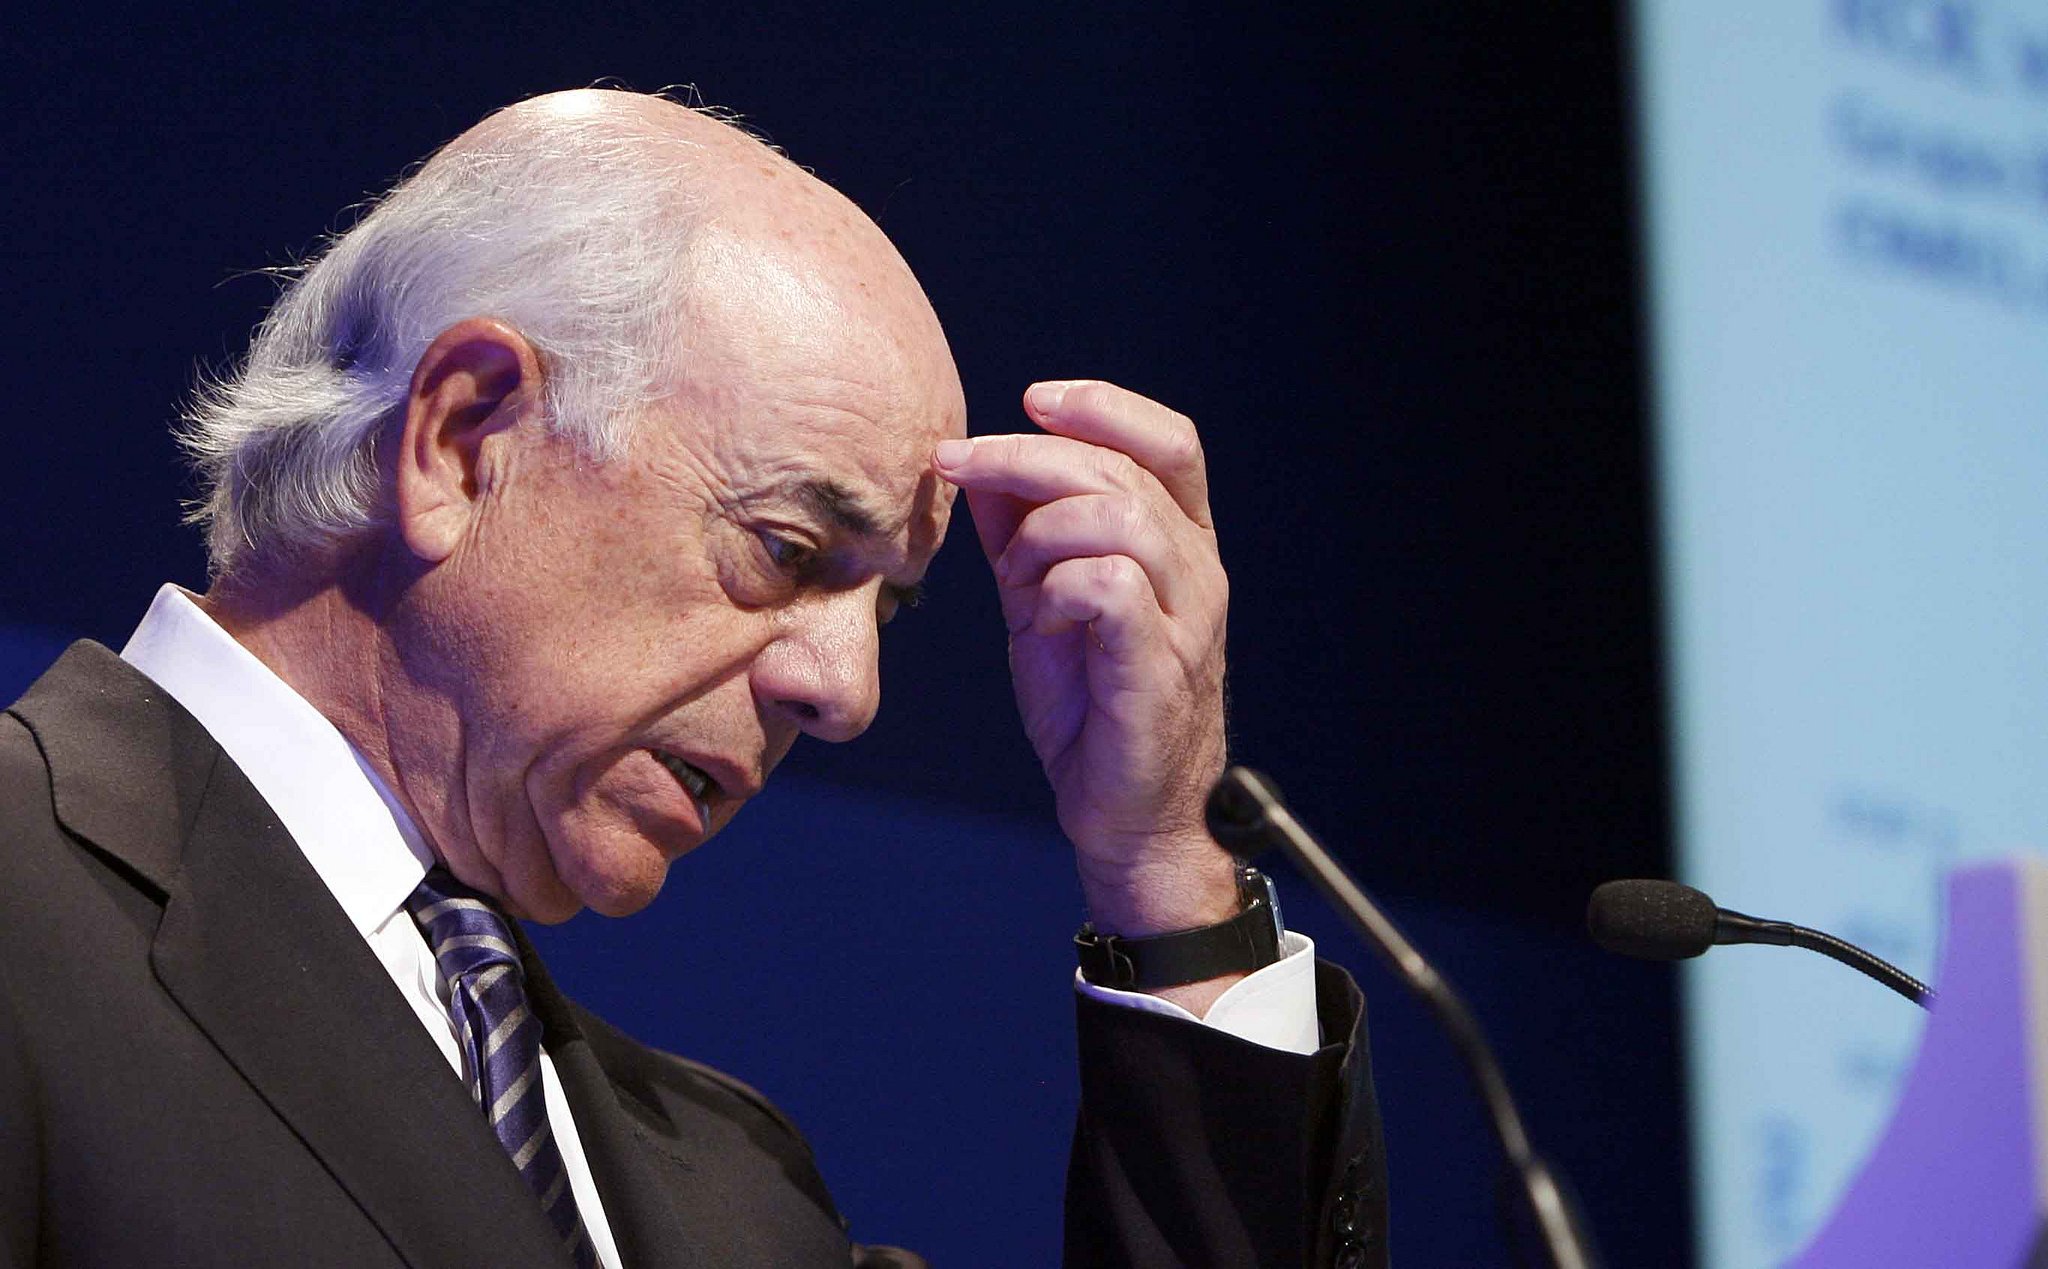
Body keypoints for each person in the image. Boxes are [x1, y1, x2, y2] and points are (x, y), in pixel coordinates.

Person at [0, 89, 1385, 1267]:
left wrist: (1162, 870)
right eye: (789, 549)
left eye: (889, 609)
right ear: (464, 441)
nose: (846, 691)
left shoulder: (734, 1189)